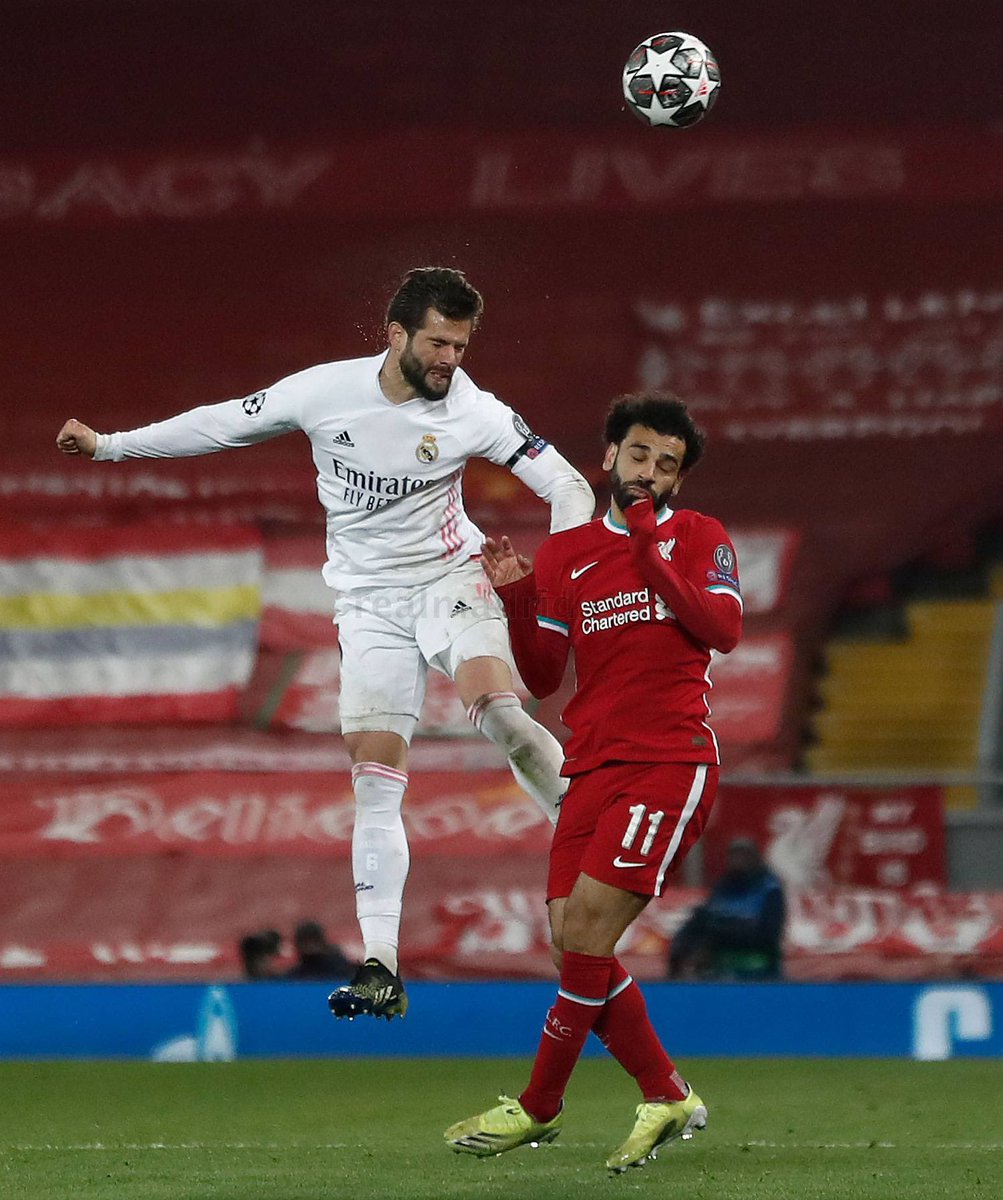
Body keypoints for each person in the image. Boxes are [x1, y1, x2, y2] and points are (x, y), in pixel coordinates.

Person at [55, 266, 595, 1022]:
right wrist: (112, 446)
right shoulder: (323, 391)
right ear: (396, 334)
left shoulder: (475, 411)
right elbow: (220, 421)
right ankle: (381, 966)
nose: (450, 360)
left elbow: (570, 488)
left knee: (499, 713)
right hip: (367, 604)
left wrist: (563, 577)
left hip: (451, 580)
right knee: (374, 779)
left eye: (461, 346)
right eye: (438, 343)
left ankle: (586, 845)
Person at [444, 391, 742, 1173]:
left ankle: (538, 1104)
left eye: (667, 465)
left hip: (667, 760)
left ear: (678, 479)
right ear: (609, 457)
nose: (650, 473)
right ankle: (665, 1090)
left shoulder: (697, 536)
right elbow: (543, 677)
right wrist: (515, 596)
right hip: (590, 766)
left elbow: (723, 631)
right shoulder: (564, 554)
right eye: (639, 454)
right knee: (568, 943)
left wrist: (650, 551)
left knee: (585, 937)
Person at [668, 837, 785, 980]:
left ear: (754, 857)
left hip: (758, 970)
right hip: (720, 969)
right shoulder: (722, 888)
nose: (738, 860)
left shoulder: (769, 890)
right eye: (734, 855)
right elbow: (704, 920)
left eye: (744, 855)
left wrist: (725, 930)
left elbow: (768, 934)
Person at [285, 919, 356, 981]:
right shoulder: (295, 976)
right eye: (305, 943)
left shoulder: (339, 968)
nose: (310, 948)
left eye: (313, 942)